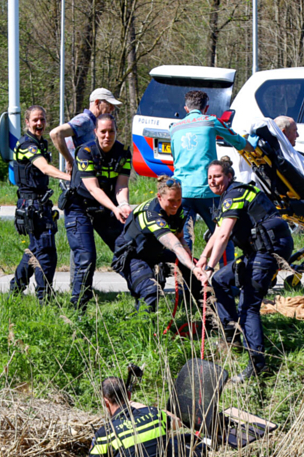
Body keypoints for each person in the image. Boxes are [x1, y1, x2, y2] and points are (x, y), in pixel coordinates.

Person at [196, 158, 294, 383]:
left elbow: (224, 235)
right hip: (256, 251)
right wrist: (203, 259)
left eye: (218, 176)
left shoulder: (236, 193)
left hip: (269, 250)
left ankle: (258, 365)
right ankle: (232, 336)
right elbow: (217, 231)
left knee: (248, 306)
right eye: (210, 177)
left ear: (229, 176)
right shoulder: (227, 197)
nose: (213, 181)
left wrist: (209, 267)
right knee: (220, 280)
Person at [62, 114, 133, 309]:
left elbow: (121, 186)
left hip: (105, 208)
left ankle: (144, 298)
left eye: (111, 131)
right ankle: (78, 308)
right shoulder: (85, 152)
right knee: (86, 258)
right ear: (95, 132)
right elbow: (93, 189)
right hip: (80, 208)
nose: (107, 136)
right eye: (103, 131)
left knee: (127, 250)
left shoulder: (124, 152)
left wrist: (124, 204)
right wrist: (114, 207)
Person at [169, 90, 248, 262]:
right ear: (206, 108)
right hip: (208, 191)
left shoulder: (174, 128)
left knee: (184, 239)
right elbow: (237, 141)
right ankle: (225, 283)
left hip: (183, 191)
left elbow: (175, 159)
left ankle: (186, 284)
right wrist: (251, 145)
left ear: (186, 108)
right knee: (221, 236)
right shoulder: (211, 122)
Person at [112, 176, 206, 312]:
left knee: (195, 271)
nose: (176, 205)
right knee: (150, 289)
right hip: (133, 254)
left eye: (179, 200)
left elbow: (179, 237)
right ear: (159, 197)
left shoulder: (178, 209)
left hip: (155, 250)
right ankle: (143, 327)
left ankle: (209, 320)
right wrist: (191, 265)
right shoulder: (150, 214)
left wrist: (190, 257)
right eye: (171, 201)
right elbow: (173, 244)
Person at [10, 105, 71, 299]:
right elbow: (44, 168)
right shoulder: (27, 145)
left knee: (35, 250)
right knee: (45, 252)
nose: (39, 123)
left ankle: (15, 290)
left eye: (42, 119)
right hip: (31, 206)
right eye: (35, 120)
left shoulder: (41, 143)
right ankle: (44, 297)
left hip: (41, 204)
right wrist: (70, 178)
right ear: (27, 122)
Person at [49, 88, 123, 174]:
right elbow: (56, 133)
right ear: (97, 103)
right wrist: (69, 161)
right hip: (80, 177)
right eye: (109, 104)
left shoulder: (94, 122)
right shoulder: (85, 120)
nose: (112, 108)